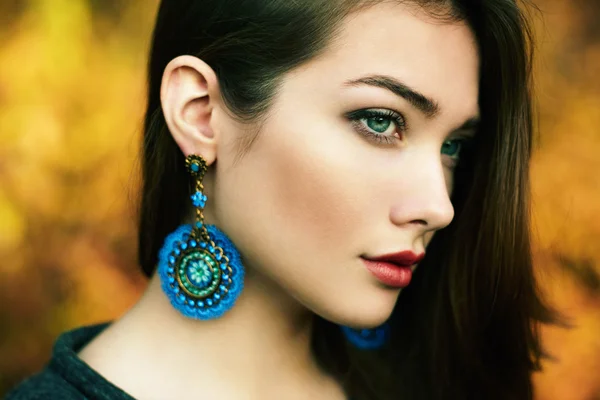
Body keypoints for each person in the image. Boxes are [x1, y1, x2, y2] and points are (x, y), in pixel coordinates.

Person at [6, 0, 558, 399]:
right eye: (381, 120)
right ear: (201, 114)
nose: (439, 206)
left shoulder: (443, 381)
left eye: (454, 146)